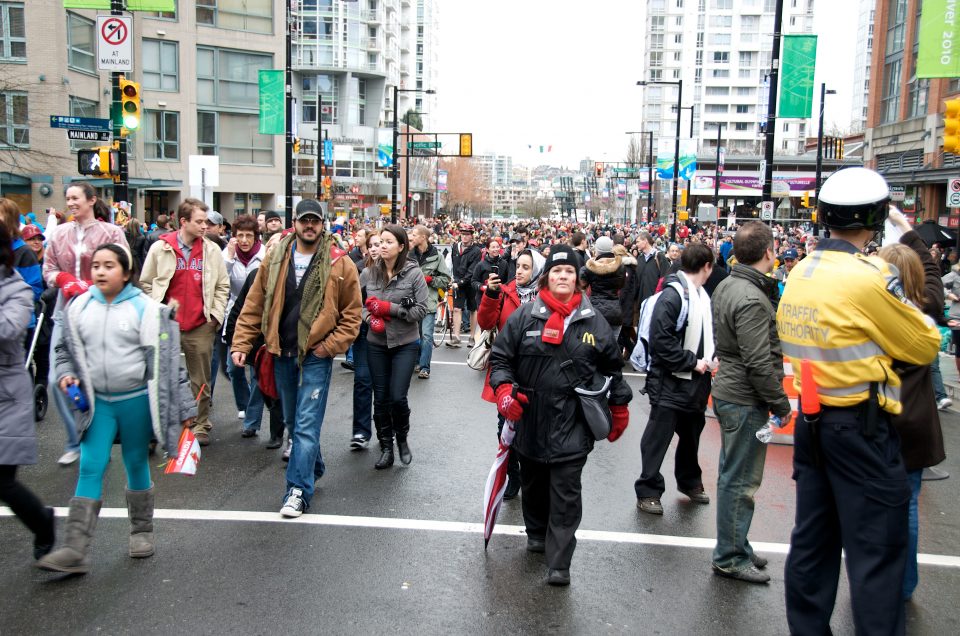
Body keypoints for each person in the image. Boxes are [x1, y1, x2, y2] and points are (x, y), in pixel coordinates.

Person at [777, 168, 941, 635]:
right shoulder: (870, 276)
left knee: (812, 544)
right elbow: (924, 343)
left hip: (814, 422)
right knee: (876, 555)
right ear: (873, 216)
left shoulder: (802, 270)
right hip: (861, 427)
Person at [38, 243, 196, 574]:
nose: (100, 271)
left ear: (126, 273)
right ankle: (75, 549)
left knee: (135, 462)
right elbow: (64, 350)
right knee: (90, 465)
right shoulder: (78, 307)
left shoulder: (148, 309)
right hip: (97, 403)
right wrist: (66, 374)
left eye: (109, 265)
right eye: (95, 265)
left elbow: (171, 365)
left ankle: (141, 532)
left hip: (136, 401)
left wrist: (185, 407)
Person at [488, 244, 632, 586]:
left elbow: (613, 368)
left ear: (578, 279)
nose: (563, 276)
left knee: (566, 493)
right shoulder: (525, 317)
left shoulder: (593, 320)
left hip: (573, 422)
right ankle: (536, 532)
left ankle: (560, 562)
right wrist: (505, 391)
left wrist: (619, 406)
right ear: (547, 278)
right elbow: (501, 359)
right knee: (535, 485)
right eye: (557, 271)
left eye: (569, 271)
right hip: (531, 420)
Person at [231, 199, 361, 517]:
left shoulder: (340, 262)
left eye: (315, 220)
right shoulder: (275, 255)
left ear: (323, 223)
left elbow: (352, 315)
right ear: (296, 221)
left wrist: (329, 347)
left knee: (304, 426)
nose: (310, 225)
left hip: (316, 355)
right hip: (280, 351)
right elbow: (254, 303)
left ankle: (297, 491)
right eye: (305, 220)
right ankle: (313, 466)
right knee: (292, 421)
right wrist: (241, 343)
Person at [709, 222, 792, 584]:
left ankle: (736, 545)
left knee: (734, 476)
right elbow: (758, 361)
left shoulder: (730, 285)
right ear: (769, 252)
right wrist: (781, 403)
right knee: (740, 480)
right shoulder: (750, 296)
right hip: (744, 396)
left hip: (733, 391)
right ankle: (730, 555)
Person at [877, 209, 946, 602]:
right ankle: (904, 585)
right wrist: (908, 231)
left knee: (872, 506)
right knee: (908, 507)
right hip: (916, 421)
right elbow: (932, 274)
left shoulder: (872, 316)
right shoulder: (927, 310)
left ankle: (876, 578)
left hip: (877, 418)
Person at [42, 183, 128, 465]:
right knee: (58, 380)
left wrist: (93, 285)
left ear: (91, 200)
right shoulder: (59, 233)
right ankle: (74, 440)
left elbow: (124, 263)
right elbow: (49, 268)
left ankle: (99, 438)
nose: (71, 203)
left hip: (102, 311)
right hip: (66, 312)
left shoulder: (111, 233)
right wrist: (64, 281)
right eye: (67, 198)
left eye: (75, 198)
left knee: (100, 380)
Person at [140, 198, 229, 447]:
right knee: (160, 377)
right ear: (183, 221)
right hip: (167, 323)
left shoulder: (211, 250)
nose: (204, 226)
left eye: (206, 222)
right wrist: (155, 309)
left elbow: (222, 285)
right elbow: (146, 282)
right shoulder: (161, 248)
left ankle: (200, 424)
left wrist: (215, 316)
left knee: (200, 378)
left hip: (201, 322)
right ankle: (156, 428)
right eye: (199, 222)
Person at [635, 243, 716, 515]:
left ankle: (689, 481)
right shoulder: (674, 296)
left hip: (694, 381)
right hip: (671, 380)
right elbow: (661, 342)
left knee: (691, 436)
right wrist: (693, 362)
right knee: (658, 438)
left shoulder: (699, 294)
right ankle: (648, 490)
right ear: (706, 266)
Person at [0, 223, 55, 563]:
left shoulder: (15, 288)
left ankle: (41, 522)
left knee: (3, 481)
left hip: (5, 395)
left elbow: (9, 330)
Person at [477, 247, 545, 500]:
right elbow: (485, 323)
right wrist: (491, 296)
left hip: (538, 372)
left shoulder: (546, 297)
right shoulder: (505, 292)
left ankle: (531, 474)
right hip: (507, 370)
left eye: (526, 267)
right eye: (518, 266)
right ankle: (513, 474)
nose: (520, 271)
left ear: (537, 271)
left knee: (534, 427)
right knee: (504, 426)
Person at [361, 225, 428, 469]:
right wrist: (370, 319)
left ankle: (402, 438)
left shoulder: (413, 273)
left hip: (405, 343)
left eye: (389, 242)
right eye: (381, 241)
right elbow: (357, 304)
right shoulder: (369, 273)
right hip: (376, 344)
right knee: (380, 399)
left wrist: (391, 310)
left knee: (398, 397)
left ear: (401, 247)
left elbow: (421, 309)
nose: (383, 246)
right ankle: (386, 446)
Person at [222, 215, 266, 431]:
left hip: (258, 317)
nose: (245, 240)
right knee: (233, 368)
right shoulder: (229, 255)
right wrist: (229, 257)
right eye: (240, 235)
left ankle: (252, 419)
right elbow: (221, 281)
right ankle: (245, 404)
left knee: (257, 370)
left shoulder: (264, 255)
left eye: (249, 235)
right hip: (235, 313)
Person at [347, 231, 381, 449]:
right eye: (373, 245)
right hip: (364, 332)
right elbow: (354, 303)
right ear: (367, 248)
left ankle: (385, 429)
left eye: (383, 243)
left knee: (384, 386)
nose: (378, 248)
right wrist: (366, 317)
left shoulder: (403, 271)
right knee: (362, 379)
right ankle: (360, 432)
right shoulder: (361, 270)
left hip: (390, 336)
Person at [410, 225, 451, 379]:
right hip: (411, 303)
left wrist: (430, 279)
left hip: (429, 302)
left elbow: (446, 279)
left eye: (414, 235)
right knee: (415, 335)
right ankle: (415, 362)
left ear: (423, 237)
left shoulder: (437, 256)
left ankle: (424, 367)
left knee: (427, 335)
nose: (412, 237)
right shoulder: (408, 255)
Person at [581, 236, 626, 339]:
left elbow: (580, 287)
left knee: (595, 347)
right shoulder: (621, 267)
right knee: (613, 347)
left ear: (597, 249)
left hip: (595, 310)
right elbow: (621, 285)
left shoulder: (589, 268)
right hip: (615, 311)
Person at [448, 223, 481, 348]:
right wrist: (452, 278)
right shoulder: (455, 247)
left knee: (473, 309)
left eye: (467, 234)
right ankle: (456, 337)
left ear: (472, 236)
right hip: (457, 282)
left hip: (471, 282)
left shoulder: (476, 251)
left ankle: (472, 337)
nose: (464, 237)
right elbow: (452, 264)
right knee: (457, 308)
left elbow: (472, 270)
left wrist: (461, 282)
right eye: (462, 234)